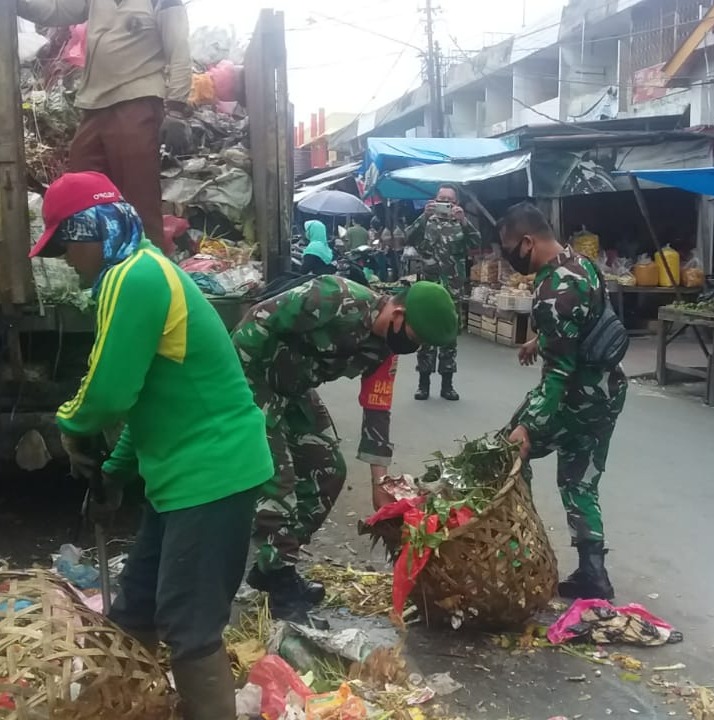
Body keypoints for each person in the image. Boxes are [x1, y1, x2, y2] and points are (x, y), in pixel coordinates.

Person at [31, 172, 273, 720]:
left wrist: (70, 424)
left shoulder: (134, 277)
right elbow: (146, 401)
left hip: (212, 473)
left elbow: (108, 394)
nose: (67, 259)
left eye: (67, 244)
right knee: (134, 606)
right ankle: (127, 704)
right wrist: (115, 472)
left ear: (89, 230)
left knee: (189, 628)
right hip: (185, 478)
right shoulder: (140, 273)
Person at [232, 277, 458, 622]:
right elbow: (259, 321)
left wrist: (378, 483)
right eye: (416, 337)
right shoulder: (335, 298)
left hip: (295, 387)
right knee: (278, 482)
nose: (414, 347)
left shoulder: (385, 349)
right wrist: (235, 393)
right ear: (397, 312)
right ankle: (279, 583)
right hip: (253, 377)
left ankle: (272, 563)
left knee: (329, 471)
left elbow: (377, 408)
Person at [499, 202, 627, 600]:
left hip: (576, 394)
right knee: (579, 480)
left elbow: (557, 376)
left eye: (509, 249)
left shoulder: (551, 290)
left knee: (506, 455)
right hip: (608, 392)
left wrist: (527, 427)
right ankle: (594, 573)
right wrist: (541, 340)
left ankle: (521, 554)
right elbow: (587, 320)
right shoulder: (581, 263)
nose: (509, 259)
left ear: (526, 241)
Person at [17, 0, 193, 250]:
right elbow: (56, 10)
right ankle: (97, 264)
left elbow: (179, 50)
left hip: (137, 101)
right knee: (83, 189)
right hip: (94, 104)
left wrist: (176, 107)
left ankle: (148, 266)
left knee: (138, 195)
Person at [406, 184, 481, 401]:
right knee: (426, 333)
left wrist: (465, 222)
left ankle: (447, 385)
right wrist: (422, 216)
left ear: (456, 203)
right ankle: (423, 384)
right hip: (430, 287)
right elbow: (408, 238)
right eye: (441, 198)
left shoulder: (461, 224)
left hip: (453, 288)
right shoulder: (426, 222)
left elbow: (477, 242)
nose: (445, 203)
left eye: (450, 200)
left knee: (449, 336)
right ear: (434, 200)